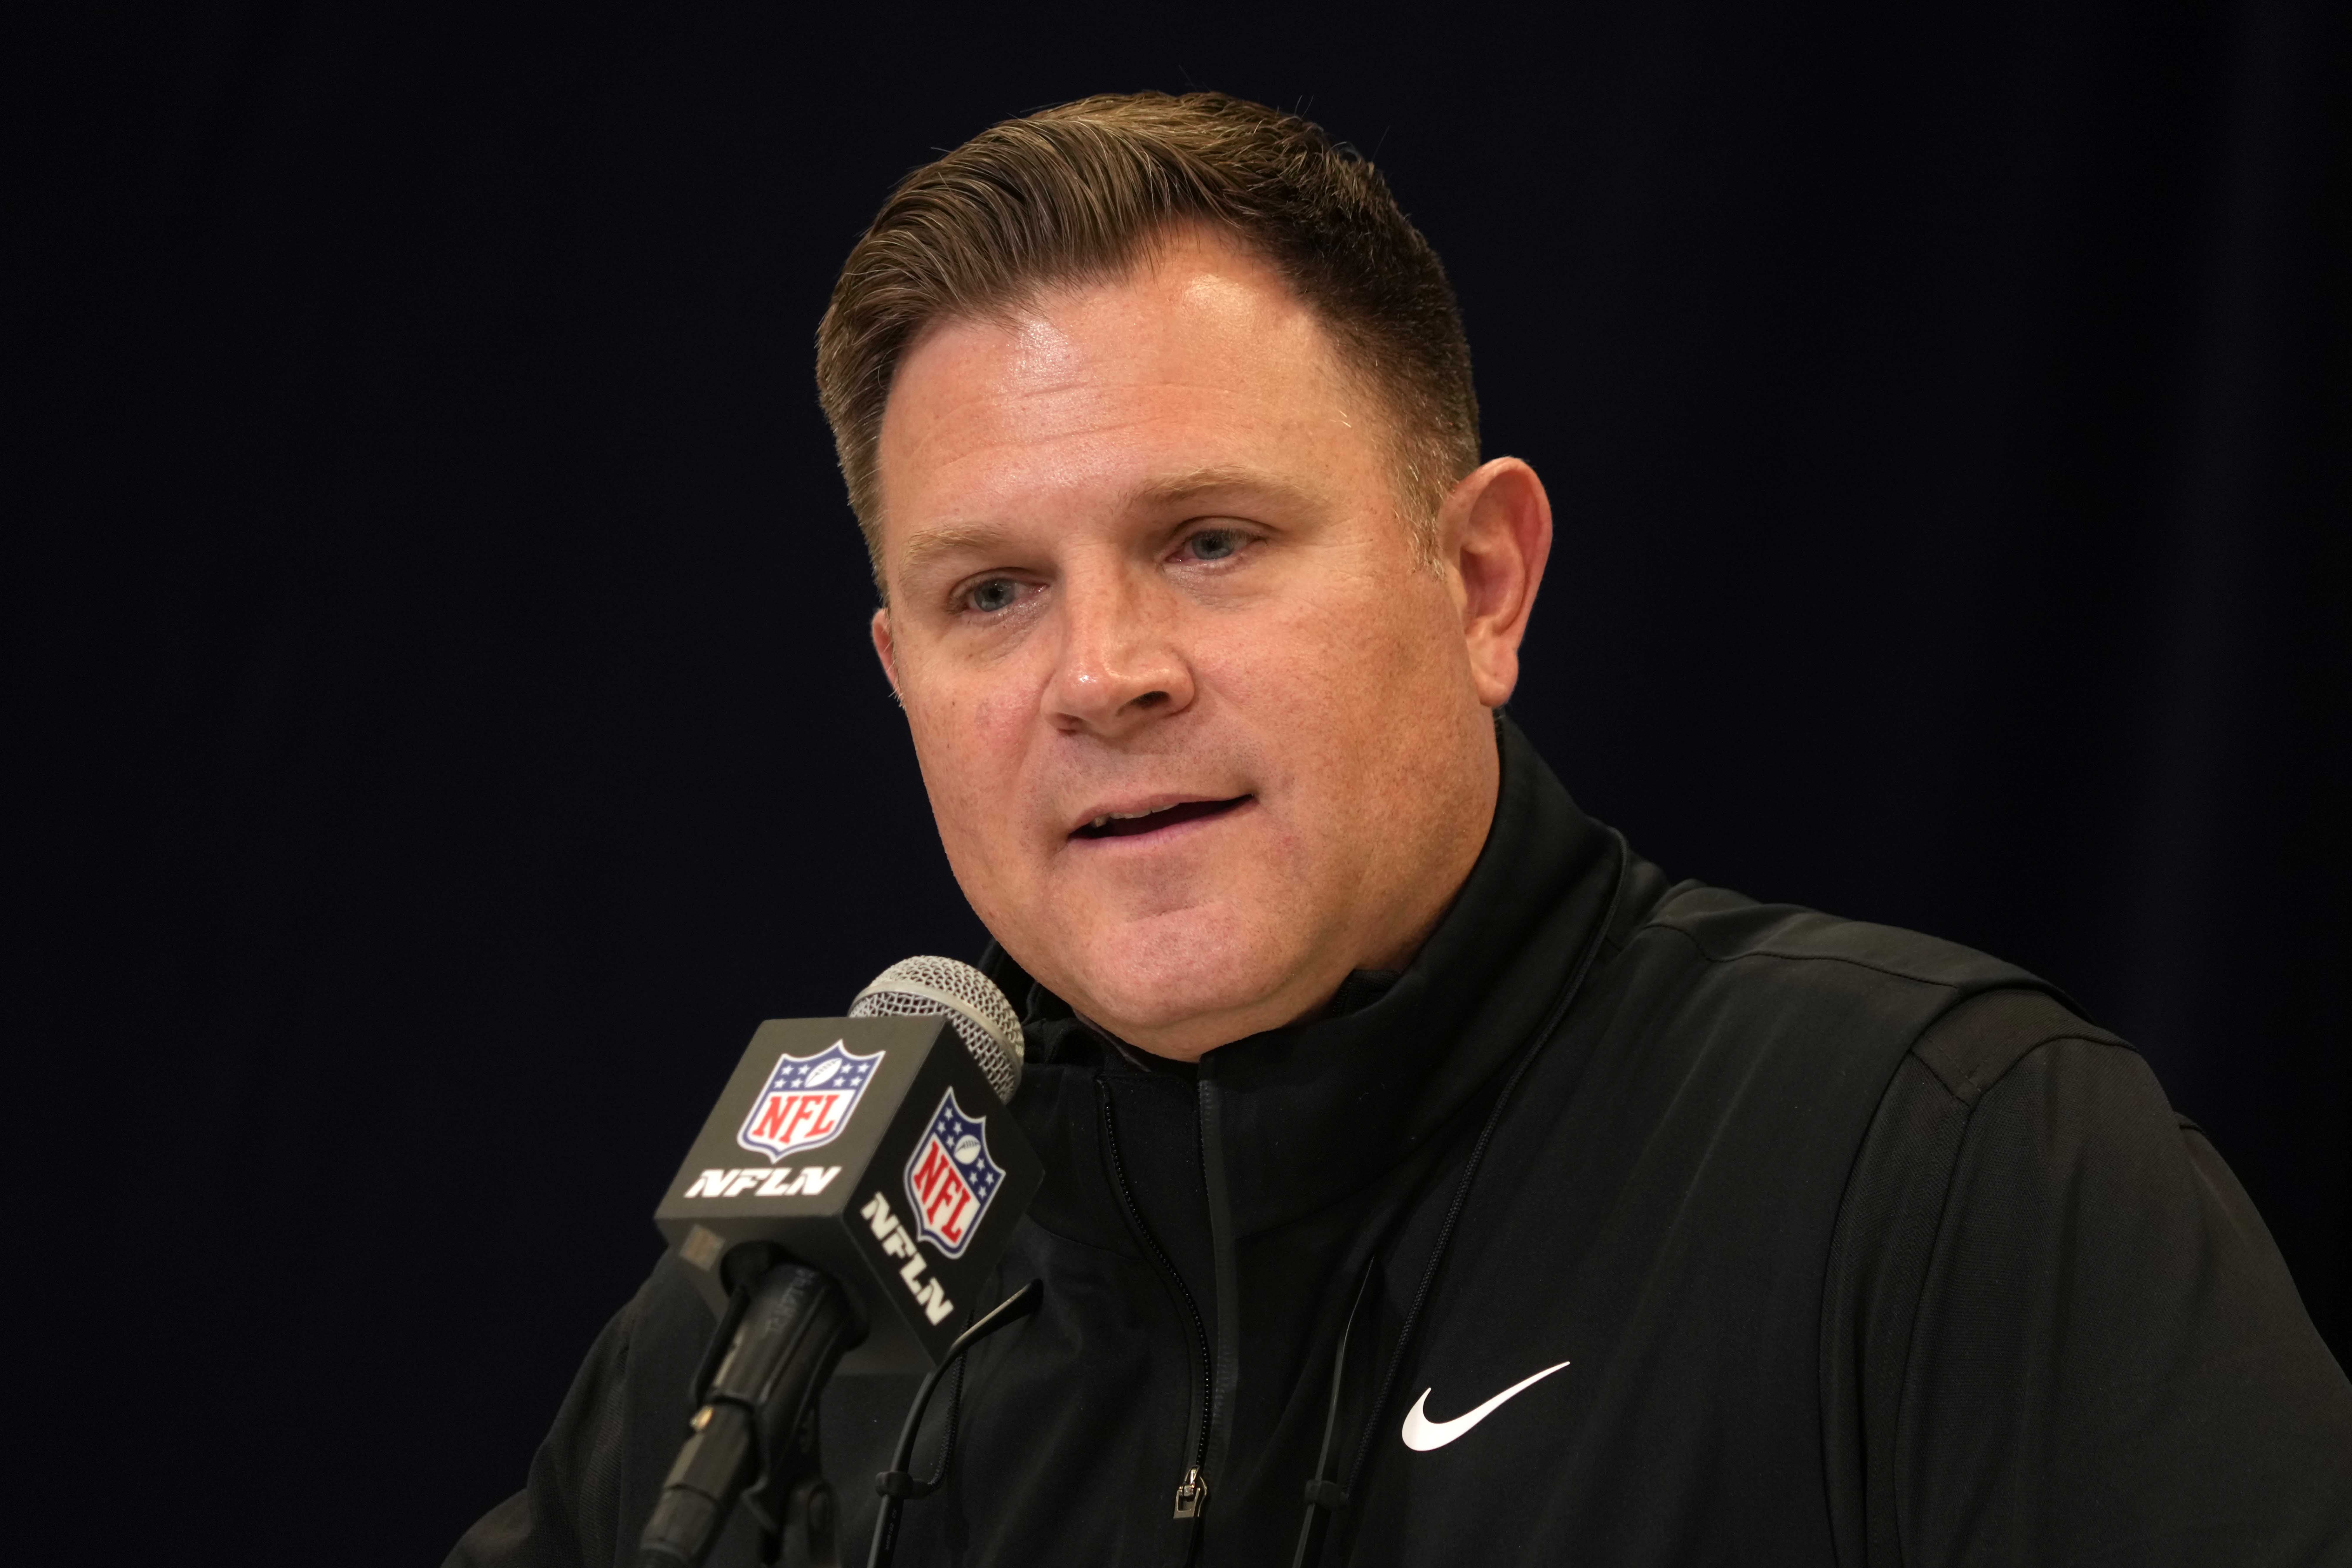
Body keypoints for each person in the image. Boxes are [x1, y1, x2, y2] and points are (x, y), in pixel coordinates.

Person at [450, 91, 2352, 1567]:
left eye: (1209, 541)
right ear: (901, 677)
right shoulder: (775, 1327)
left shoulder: (1941, 1167)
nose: (1102, 673)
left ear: (1481, 581)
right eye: (991, 595)